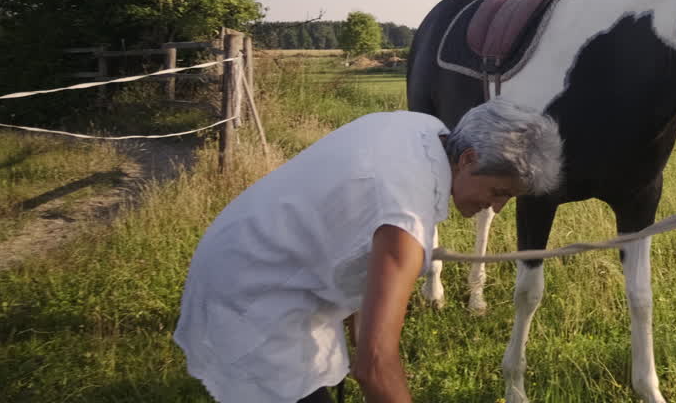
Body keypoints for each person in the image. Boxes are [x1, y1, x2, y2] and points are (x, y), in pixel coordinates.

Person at [173, 99, 563, 403]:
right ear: (467, 159)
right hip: (252, 296)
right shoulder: (405, 221)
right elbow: (374, 365)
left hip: (254, 250)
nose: (496, 208)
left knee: (320, 374)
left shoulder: (425, 129)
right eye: (498, 192)